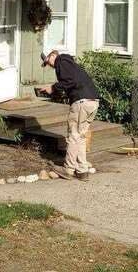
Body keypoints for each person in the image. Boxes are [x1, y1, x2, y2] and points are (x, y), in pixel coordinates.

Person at [38, 50, 100, 180]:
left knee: (73, 135)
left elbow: (69, 81)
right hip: (93, 101)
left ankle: (69, 169)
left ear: (53, 55)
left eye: (48, 61)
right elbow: (71, 82)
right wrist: (54, 91)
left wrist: (53, 88)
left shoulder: (61, 61)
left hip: (81, 102)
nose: (50, 65)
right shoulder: (71, 64)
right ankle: (82, 170)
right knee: (81, 136)